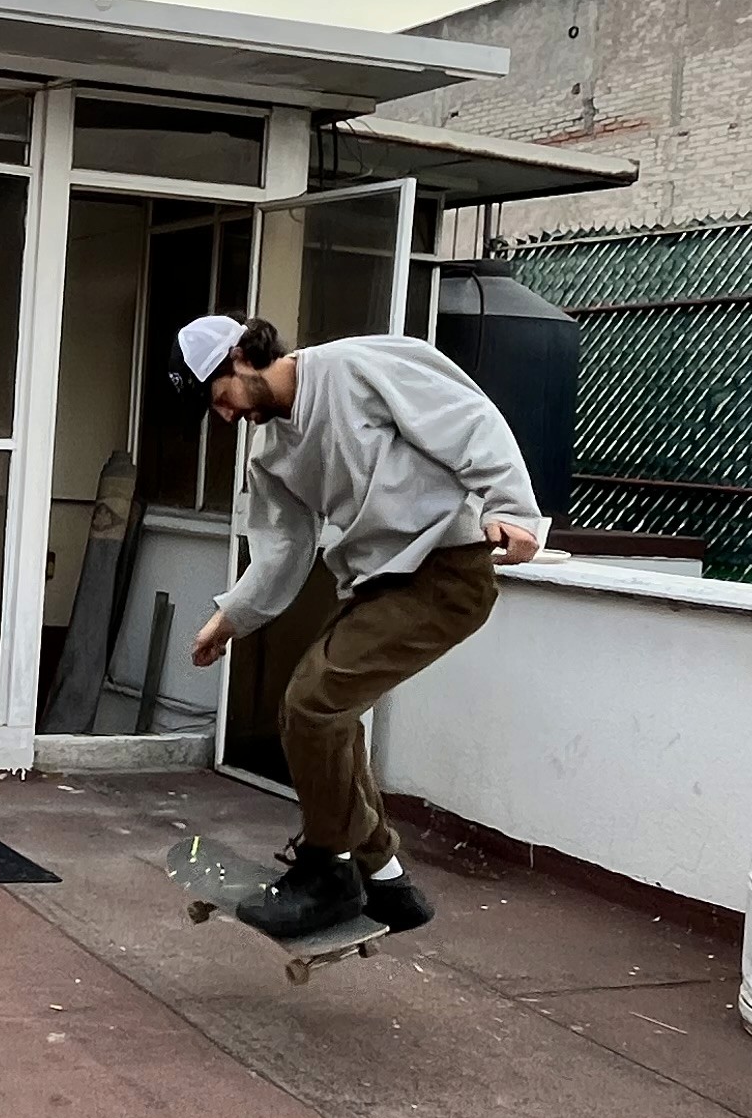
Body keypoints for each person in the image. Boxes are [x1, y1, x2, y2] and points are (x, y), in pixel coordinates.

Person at [176, 310, 546, 942]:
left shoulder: (353, 368)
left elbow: (468, 420)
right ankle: (386, 878)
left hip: (445, 571)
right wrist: (230, 617)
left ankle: (330, 873)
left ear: (240, 357)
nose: (227, 417)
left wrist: (511, 507)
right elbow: (282, 553)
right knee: (323, 716)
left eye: (221, 397)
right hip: (378, 585)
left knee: (313, 703)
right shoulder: (270, 457)